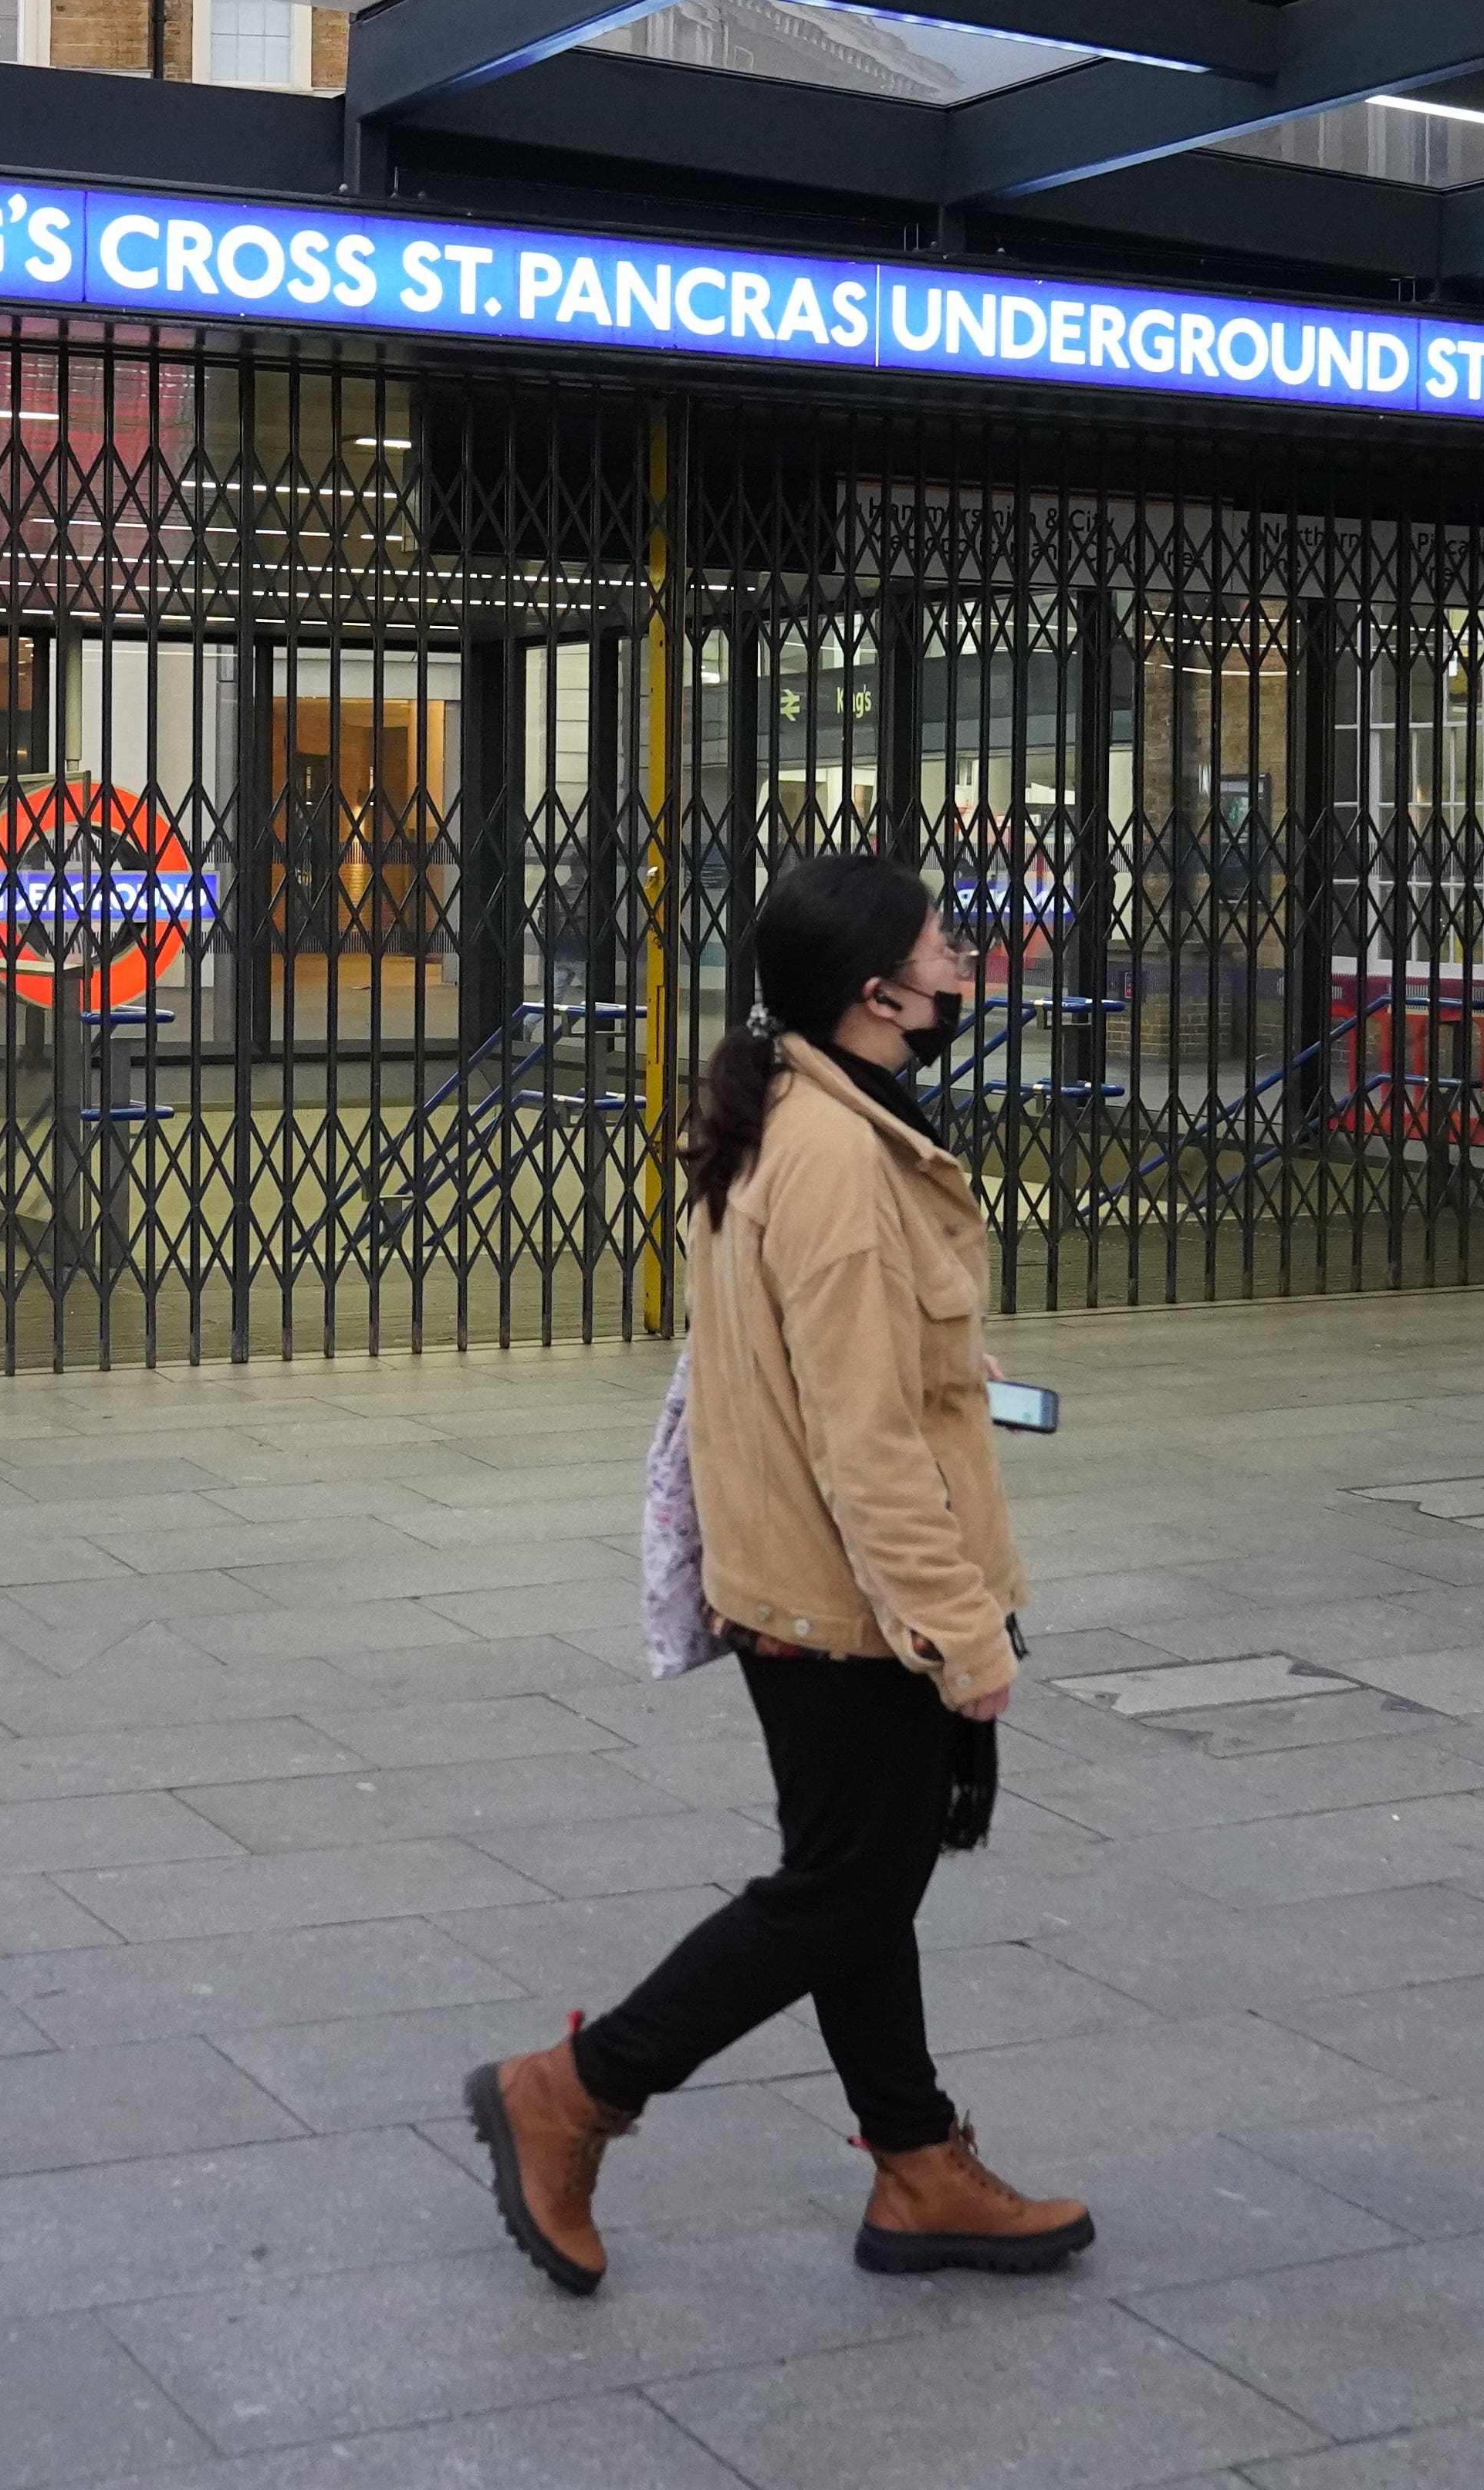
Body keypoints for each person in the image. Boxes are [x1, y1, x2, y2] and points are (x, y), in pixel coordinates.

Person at [468, 851, 1090, 2294]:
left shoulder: (809, 1108)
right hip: (839, 1601)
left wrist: (945, 1357)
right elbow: (865, 1444)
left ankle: (918, 2165)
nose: (962, 959)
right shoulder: (832, 1158)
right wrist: (963, 1636)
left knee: (857, 1883)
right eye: (940, 944)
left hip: (798, 1579)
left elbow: (810, 1356)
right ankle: (571, 2091)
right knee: (838, 1896)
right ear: (875, 992)